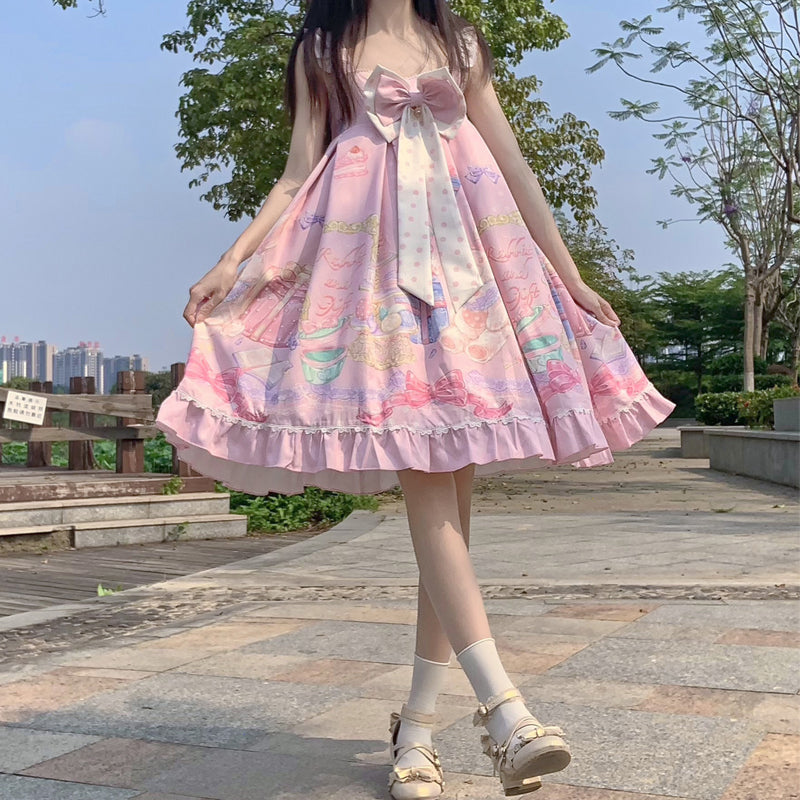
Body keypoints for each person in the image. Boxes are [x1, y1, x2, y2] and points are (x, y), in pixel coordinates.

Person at [155, 0, 676, 796]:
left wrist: (568, 277)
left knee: (449, 519)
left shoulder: (458, 43)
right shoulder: (322, 48)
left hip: (471, 287)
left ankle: (418, 732)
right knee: (433, 493)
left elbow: (513, 167)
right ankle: (506, 711)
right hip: (369, 294)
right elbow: (297, 174)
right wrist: (233, 261)